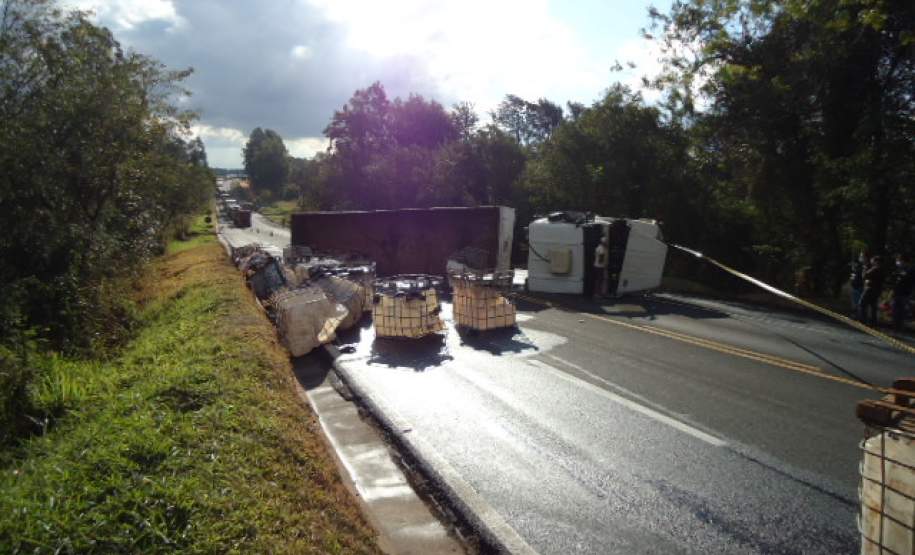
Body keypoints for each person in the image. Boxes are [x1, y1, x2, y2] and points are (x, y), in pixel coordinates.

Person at [859, 255, 886, 325]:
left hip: (870, 289)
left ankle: (863, 320)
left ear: (877, 262)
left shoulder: (875, 269)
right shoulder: (882, 269)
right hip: (877, 290)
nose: (871, 261)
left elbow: (865, 276)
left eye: (873, 260)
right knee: (873, 306)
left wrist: (864, 268)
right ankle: (873, 322)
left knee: (862, 304)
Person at [891, 254, 914, 331]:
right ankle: (895, 326)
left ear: (904, 261)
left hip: (905, 293)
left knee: (902, 311)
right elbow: (896, 280)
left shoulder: (911, 270)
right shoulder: (899, 269)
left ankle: (900, 327)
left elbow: (910, 281)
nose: (898, 262)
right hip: (897, 292)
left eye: (899, 260)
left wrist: (911, 294)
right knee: (895, 310)